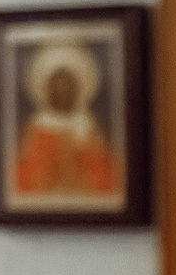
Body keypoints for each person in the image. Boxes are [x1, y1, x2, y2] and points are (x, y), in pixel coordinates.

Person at [10, 44, 121, 198]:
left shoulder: (89, 126)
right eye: (56, 87)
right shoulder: (37, 126)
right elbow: (23, 179)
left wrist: (84, 149)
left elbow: (108, 179)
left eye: (67, 86)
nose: (62, 92)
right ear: (46, 89)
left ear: (78, 88)